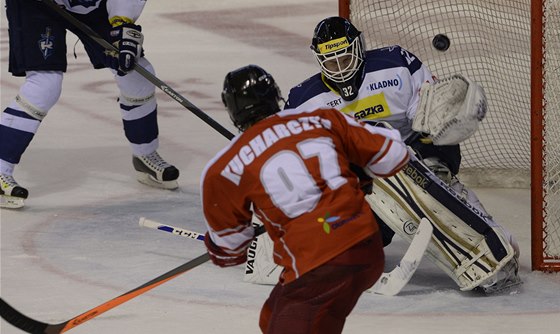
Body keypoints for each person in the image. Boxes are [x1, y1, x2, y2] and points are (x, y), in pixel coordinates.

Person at [281, 16, 521, 293]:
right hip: (362, 183)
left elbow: (430, 118)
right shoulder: (302, 101)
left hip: (415, 155)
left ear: (358, 48)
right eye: (331, 63)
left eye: (344, 59)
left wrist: (444, 122)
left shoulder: (396, 63)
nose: (339, 69)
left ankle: (490, 239)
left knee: (434, 183)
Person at [201, 64, 409, 333]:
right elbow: (394, 154)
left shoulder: (223, 168)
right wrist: (358, 172)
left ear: (232, 111)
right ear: (274, 95)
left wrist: (215, 245)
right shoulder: (322, 118)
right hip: (366, 246)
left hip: (318, 264)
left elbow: (230, 250)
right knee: (272, 316)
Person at [0, 0, 179, 209]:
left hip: (92, 5)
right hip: (38, 6)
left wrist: (123, 24)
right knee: (44, 86)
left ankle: (145, 154)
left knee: (137, 76)